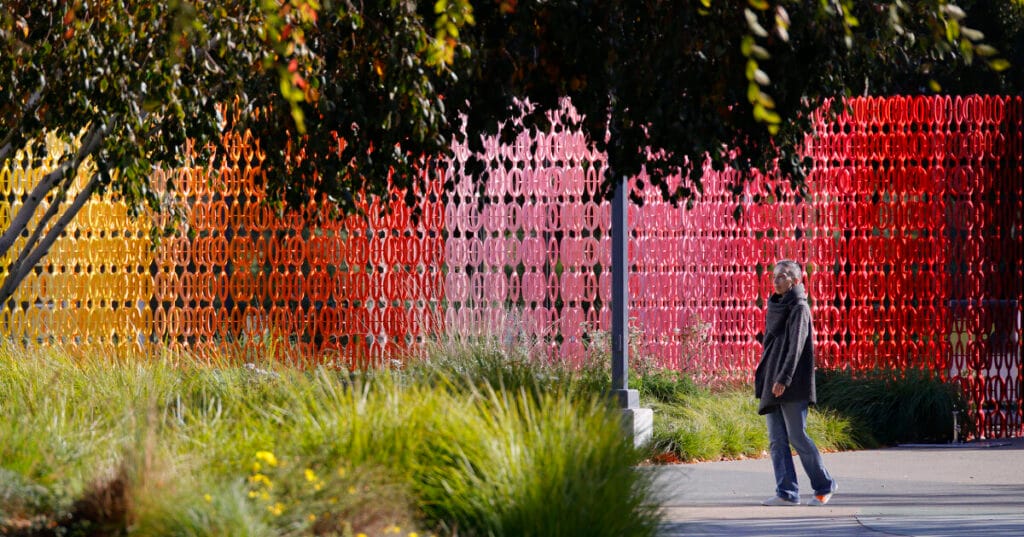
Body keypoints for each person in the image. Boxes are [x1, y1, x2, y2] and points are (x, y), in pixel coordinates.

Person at [754, 259, 837, 506]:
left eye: (782, 276)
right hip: (773, 380)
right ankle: (787, 493)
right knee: (776, 440)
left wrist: (784, 378)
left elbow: (796, 347)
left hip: (790, 383)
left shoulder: (800, 308)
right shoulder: (776, 306)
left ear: (796, 280)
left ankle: (824, 485)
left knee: (797, 436)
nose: (776, 280)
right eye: (774, 276)